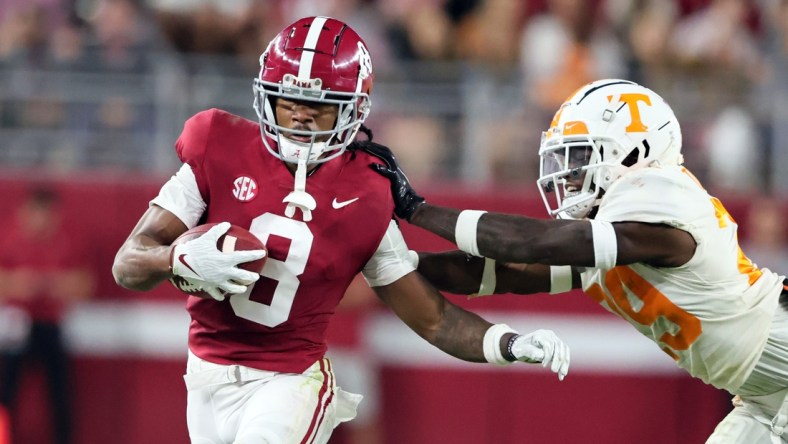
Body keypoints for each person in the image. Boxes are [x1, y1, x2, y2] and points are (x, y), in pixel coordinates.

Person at [111, 16, 570, 444]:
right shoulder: (217, 143)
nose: (301, 116)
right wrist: (173, 259)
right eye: (290, 100)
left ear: (354, 109)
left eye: (320, 106)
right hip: (204, 374)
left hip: (289, 382)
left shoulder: (368, 191)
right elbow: (128, 263)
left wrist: (507, 343)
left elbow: (433, 318)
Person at [364, 78, 788, 444]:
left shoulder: (660, 191)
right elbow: (499, 271)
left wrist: (417, 209)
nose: (567, 175)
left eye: (582, 157)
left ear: (635, 152)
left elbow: (533, 244)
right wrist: (390, 262)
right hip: (761, 393)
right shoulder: (611, 235)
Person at [0, 186, 96, 444]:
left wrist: (53, 284)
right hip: (15, 325)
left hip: (50, 325)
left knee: (60, 397)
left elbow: (85, 284)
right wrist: (19, 284)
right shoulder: (9, 238)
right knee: (5, 393)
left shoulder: (66, 240)